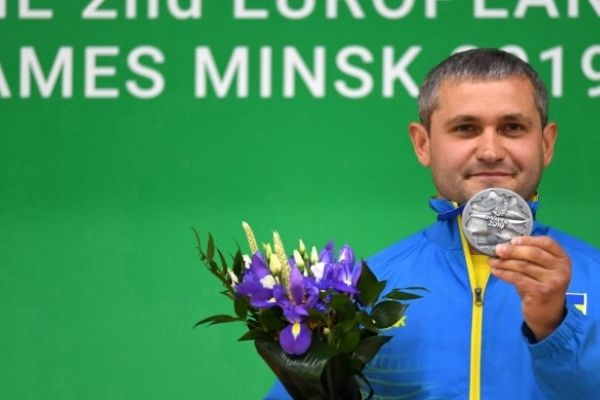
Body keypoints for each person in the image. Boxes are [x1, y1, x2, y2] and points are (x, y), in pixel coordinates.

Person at [264, 48, 600, 399]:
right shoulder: (363, 295)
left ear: (546, 143)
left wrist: (555, 328)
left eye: (512, 127)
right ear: (422, 143)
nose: (490, 151)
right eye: (466, 128)